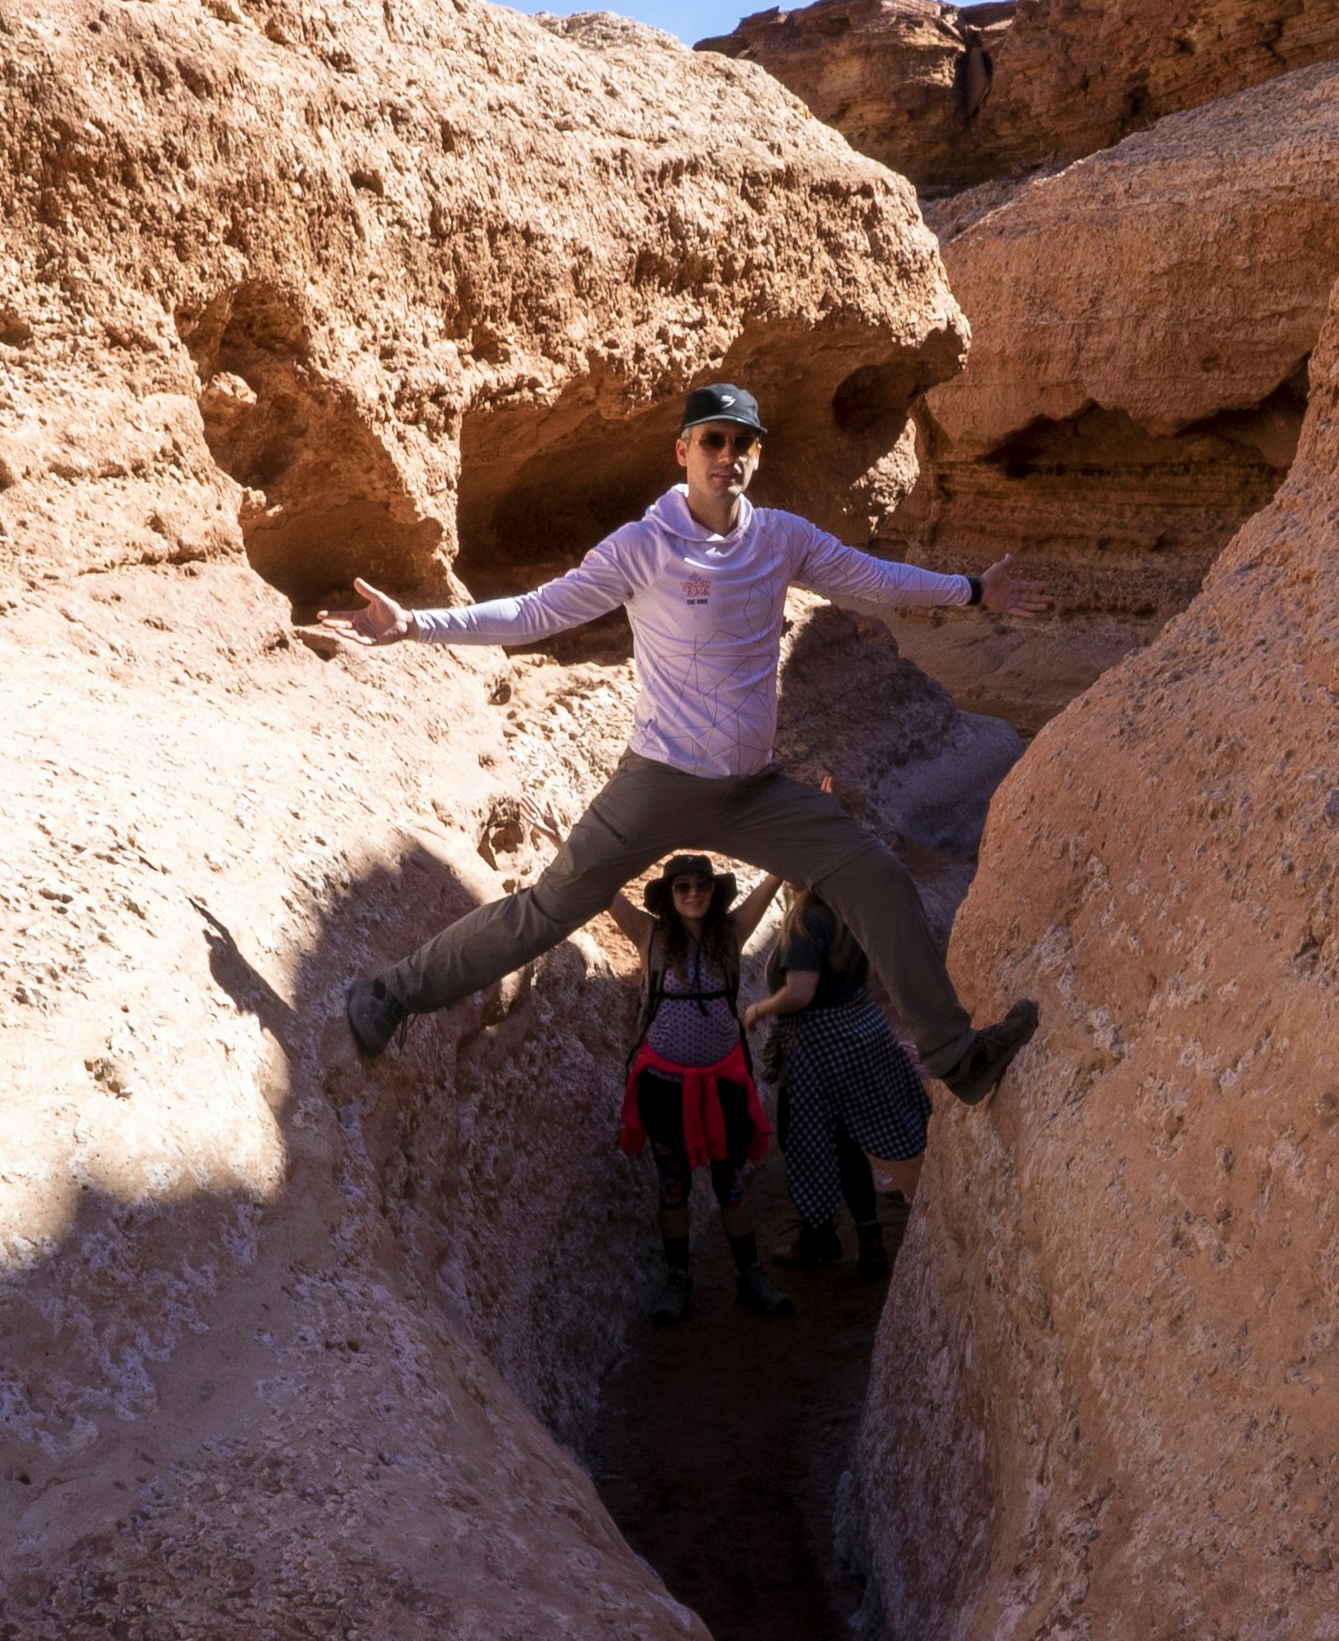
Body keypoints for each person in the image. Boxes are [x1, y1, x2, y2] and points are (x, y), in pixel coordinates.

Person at [321, 381, 1052, 1106]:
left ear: (755, 459)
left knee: (878, 879)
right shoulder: (645, 546)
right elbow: (537, 612)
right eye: (712, 439)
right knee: (547, 911)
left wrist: (973, 590)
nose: (726, 455)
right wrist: (416, 624)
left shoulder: (781, 538)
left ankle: (957, 1058)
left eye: (741, 443)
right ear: (683, 450)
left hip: (754, 792)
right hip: (658, 786)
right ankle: (389, 994)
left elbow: (872, 578)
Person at [607, 855, 793, 1324]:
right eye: (682, 886)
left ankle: (750, 1277)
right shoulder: (649, 936)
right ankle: (678, 1280)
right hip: (664, 1086)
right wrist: (563, 840)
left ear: (714, 891)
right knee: (673, 1185)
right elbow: (600, 889)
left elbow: (774, 878)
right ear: (668, 896)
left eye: (702, 885)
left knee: (730, 1183)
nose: (693, 893)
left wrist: (807, 822)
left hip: (723, 1082)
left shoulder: (730, 934)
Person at [744, 877, 926, 1277]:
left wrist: (758, 1010)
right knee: (843, 1139)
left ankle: (820, 1235)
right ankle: (868, 1238)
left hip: (816, 1045)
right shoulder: (850, 901)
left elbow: (800, 992)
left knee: (801, 1138)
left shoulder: (809, 917)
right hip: (855, 1032)